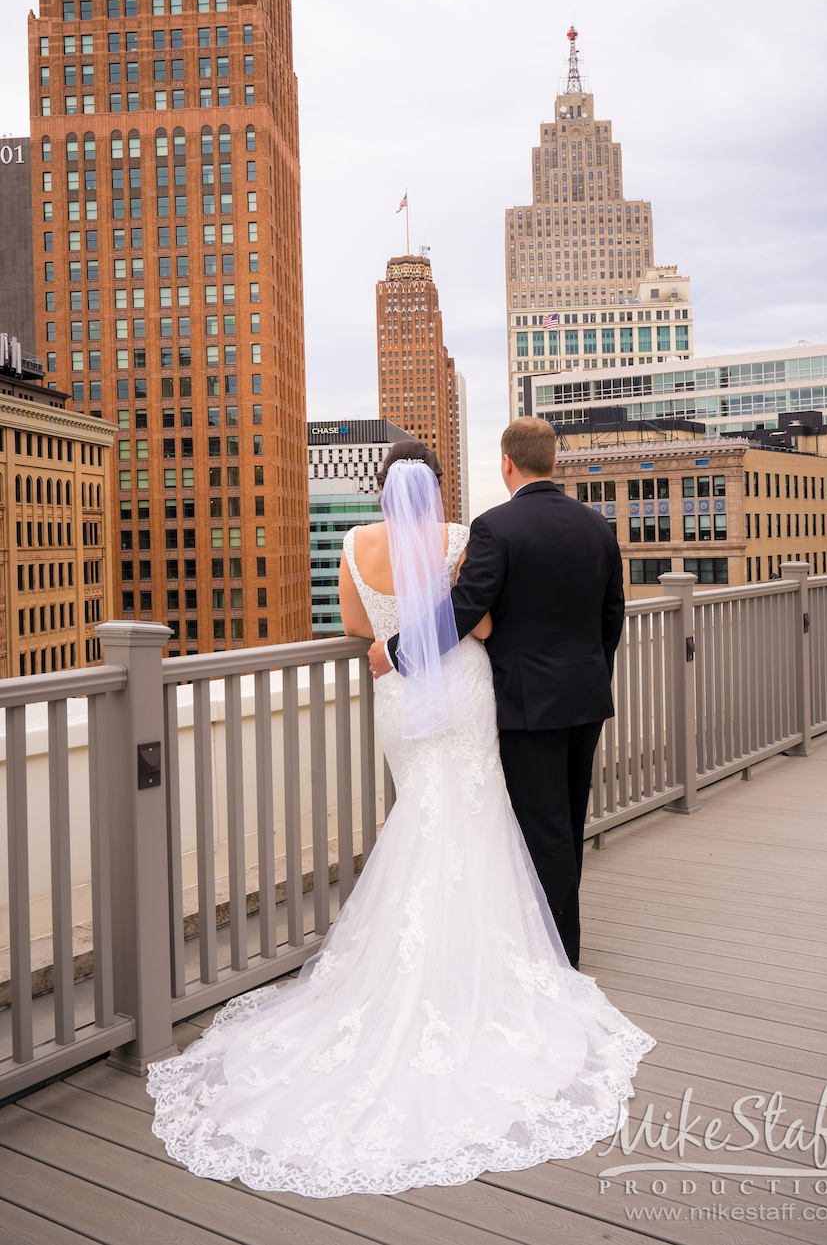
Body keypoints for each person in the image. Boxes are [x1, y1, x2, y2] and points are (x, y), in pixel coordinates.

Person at [147, 436, 652, 1199]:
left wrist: (394, 642)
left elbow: (358, 626)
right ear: (438, 487)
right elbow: (480, 624)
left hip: (400, 700)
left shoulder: (354, 545)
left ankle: (435, 958)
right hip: (487, 694)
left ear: (381, 488)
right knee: (493, 819)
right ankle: (531, 954)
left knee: (422, 813)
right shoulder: (464, 536)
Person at [369, 418, 625, 968]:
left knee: (542, 831)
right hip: (585, 697)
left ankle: (556, 959)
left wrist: (395, 652)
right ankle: (560, 943)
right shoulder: (598, 527)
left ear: (507, 463)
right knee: (568, 825)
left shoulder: (496, 528)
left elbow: (464, 609)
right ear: (553, 462)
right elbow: (611, 620)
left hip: (528, 703)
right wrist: (593, 678)